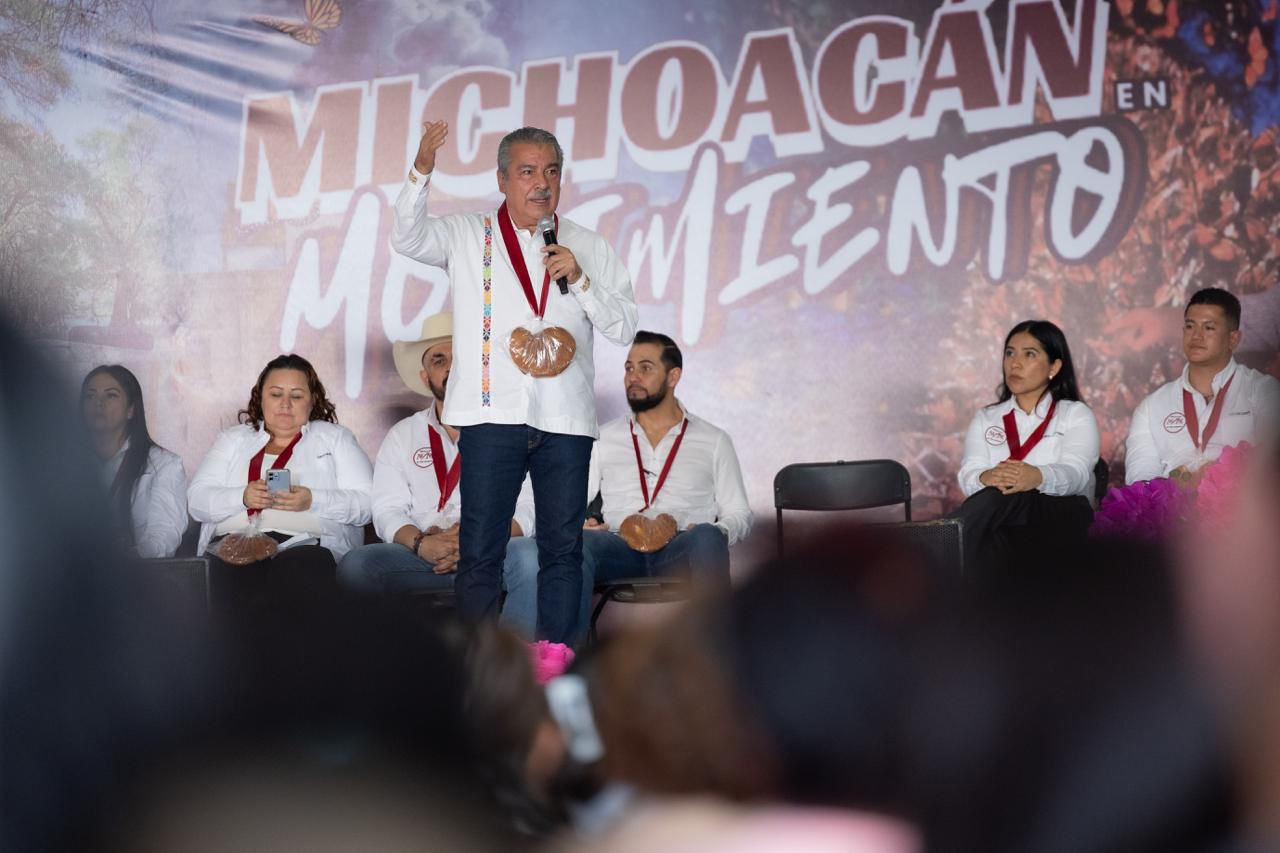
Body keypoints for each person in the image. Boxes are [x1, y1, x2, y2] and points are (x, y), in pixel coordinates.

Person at [390, 122, 637, 643]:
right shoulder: (467, 234)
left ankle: (556, 667)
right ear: (502, 179)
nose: (541, 183)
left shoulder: (586, 244)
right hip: (490, 417)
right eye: (527, 172)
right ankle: (479, 673)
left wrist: (580, 279)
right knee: (481, 551)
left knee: (563, 552)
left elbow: (624, 327)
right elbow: (407, 237)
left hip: (565, 418)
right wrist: (421, 170)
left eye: (551, 171)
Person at [506, 332, 750, 641]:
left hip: (682, 545)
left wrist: (717, 531)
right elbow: (568, 504)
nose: (633, 377)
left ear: (673, 376)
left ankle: (718, 658)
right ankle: (564, 657)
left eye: (645, 368)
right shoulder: (603, 437)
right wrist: (580, 524)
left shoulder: (714, 440)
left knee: (708, 536)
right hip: (619, 545)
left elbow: (739, 512)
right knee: (574, 544)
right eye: (628, 368)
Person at [338, 312, 541, 637]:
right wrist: (421, 543)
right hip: (422, 553)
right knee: (357, 565)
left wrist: (478, 540)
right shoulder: (403, 435)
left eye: (459, 357)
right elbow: (387, 509)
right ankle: (380, 666)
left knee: (530, 557)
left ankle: (511, 663)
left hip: (494, 549)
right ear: (425, 376)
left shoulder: (511, 429)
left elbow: (529, 507)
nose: (450, 367)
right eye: (439, 360)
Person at [188, 354, 372, 605]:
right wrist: (242, 497)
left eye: (296, 396)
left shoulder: (336, 438)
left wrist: (313, 500)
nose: (285, 404)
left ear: (312, 400)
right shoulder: (233, 439)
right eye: (276, 394)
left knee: (301, 567)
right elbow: (197, 501)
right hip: (234, 545)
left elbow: (367, 503)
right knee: (232, 571)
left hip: (305, 547)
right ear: (261, 397)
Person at [951, 320, 1100, 573]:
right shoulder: (986, 417)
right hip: (1005, 520)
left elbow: (1078, 474)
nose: (1015, 364)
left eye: (1029, 354)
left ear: (1054, 366)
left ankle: (936, 547)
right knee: (995, 534)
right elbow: (969, 473)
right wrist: (986, 477)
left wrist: (1037, 476)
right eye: (1010, 353)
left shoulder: (1075, 414)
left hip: (1060, 514)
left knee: (1003, 498)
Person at [1124, 287, 1280, 485]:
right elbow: (1140, 488)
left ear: (1234, 339)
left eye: (1209, 328)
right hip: (1170, 506)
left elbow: (1268, 472)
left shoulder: (1266, 392)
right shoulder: (1151, 408)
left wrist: (1195, 479)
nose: (1196, 336)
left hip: (1241, 504)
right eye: (1190, 327)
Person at [81, 364, 188, 558]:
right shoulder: (62, 465)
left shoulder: (164, 464)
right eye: (90, 396)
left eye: (111, 395)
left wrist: (133, 557)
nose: (98, 403)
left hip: (136, 571)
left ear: (131, 410)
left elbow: (164, 534)